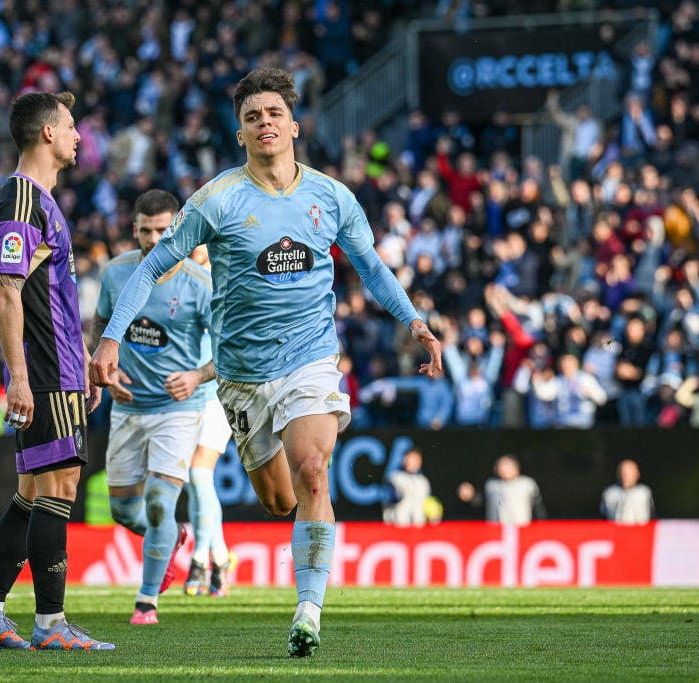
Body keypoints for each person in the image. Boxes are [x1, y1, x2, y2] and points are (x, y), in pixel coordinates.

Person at [89, 66, 443, 658]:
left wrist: (413, 320)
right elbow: (150, 267)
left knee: (312, 472)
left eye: (274, 113)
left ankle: (308, 612)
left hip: (310, 356)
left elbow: (372, 267)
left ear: (295, 125)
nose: (265, 123)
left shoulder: (331, 197)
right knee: (280, 501)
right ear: (240, 133)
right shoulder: (216, 200)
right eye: (253, 117)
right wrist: (110, 339)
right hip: (242, 376)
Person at [0, 91, 114, 652]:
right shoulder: (21, 198)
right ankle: (50, 625)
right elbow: (7, 287)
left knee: (30, 493)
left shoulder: (39, 199)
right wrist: (19, 376)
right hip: (45, 372)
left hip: (61, 369)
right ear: (47, 133)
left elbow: (51, 295)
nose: (78, 136)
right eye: (71, 126)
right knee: (59, 488)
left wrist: (83, 366)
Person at [89, 189, 214, 626]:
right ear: (134, 229)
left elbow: (231, 350)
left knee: (161, 501)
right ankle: (173, 536)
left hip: (179, 409)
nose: (155, 239)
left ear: (178, 227)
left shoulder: (200, 284)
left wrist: (198, 376)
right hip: (128, 405)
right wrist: (104, 372)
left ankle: (146, 602)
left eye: (164, 230)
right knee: (125, 511)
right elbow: (103, 325)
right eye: (147, 231)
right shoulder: (116, 273)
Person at [183, 244, 237, 599]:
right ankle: (220, 559)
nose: (194, 248)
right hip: (187, 394)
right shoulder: (183, 282)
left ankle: (200, 560)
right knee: (195, 479)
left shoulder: (224, 280)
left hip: (219, 390)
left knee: (199, 473)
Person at [458, 454, 545, 526]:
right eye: (499, 465)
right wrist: (471, 496)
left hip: (523, 529)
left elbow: (538, 508)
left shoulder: (527, 484)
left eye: (504, 465)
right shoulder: (492, 485)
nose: (500, 468)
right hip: (497, 530)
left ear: (515, 467)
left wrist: (541, 526)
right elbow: (481, 501)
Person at [382, 448, 431, 527]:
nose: (414, 462)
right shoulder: (394, 478)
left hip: (418, 528)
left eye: (417, 459)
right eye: (411, 459)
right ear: (404, 460)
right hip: (398, 526)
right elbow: (389, 498)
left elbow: (426, 503)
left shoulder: (423, 481)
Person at [601, 459, 655, 524]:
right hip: (615, 532)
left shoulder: (644, 492)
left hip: (640, 532)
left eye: (629, 472)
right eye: (622, 472)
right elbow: (602, 516)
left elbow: (652, 515)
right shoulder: (609, 493)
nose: (624, 475)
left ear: (637, 474)